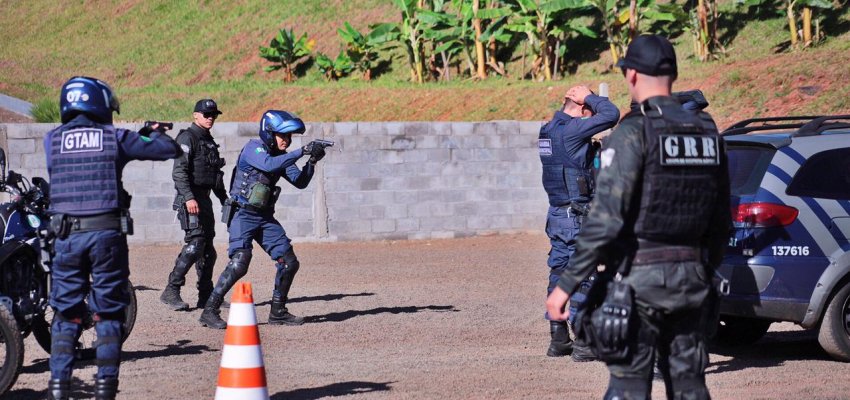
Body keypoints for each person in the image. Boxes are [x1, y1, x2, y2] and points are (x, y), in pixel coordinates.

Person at [546, 34, 730, 399]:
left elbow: (605, 219)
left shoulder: (632, 133)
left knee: (629, 387)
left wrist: (566, 285)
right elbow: (720, 218)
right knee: (690, 385)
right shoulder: (707, 131)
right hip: (693, 280)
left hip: (642, 279)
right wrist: (705, 269)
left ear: (631, 76)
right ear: (673, 74)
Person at [44, 76, 182, 400]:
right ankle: (106, 390)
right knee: (107, 314)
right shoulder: (114, 137)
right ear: (98, 103)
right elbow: (168, 149)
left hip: (66, 238)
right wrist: (149, 133)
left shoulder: (53, 140)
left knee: (66, 315)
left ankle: (58, 388)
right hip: (106, 237)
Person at [199, 110, 327, 329]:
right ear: (269, 133)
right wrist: (302, 151)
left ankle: (278, 312)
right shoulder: (254, 148)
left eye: (289, 137)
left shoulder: (281, 156)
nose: (286, 140)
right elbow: (268, 164)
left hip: (265, 217)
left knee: (289, 262)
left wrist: (312, 161)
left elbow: (300, 181)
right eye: (282, 136)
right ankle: (209, 311)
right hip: (243, 214)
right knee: (240, 262)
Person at [539, 84, 619, 359]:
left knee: (559, 272)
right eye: (589, 109)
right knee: (585, 276)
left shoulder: (549, 130)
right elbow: (611, 114)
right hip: (576, 215)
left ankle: (558, 339)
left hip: (558, 214)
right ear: (582, 108)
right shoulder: (572, 129)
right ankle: (584, 344)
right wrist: (591, 97)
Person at [160, 99, 228, 311]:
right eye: (206, 114)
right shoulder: (187, 137)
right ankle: (171, 290)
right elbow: (179, 172)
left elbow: (215, 175)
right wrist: (189, 198)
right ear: (195, 115)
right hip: (190, 198)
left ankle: (205, 295)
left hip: (204, 199)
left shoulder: (208, 140)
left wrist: (224, 199)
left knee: (209, 250)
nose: (210, 118)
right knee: (195, 243)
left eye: (213, 115)